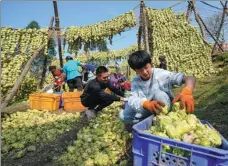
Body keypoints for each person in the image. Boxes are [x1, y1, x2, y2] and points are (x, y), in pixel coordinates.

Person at [119, 50, 196, 126]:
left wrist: (187, 91)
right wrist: (146, 104)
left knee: (159, 94)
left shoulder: (161, 74)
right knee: (123, 115)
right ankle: (150, 121)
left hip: (164, 106)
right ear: (135, 70)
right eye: (140, 70)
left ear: (150, 64)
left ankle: (166, 118)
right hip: (148, 108)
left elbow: (189, 78)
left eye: (146, 67)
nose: (145, 72)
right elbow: (132, 98)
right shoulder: (135, 81)